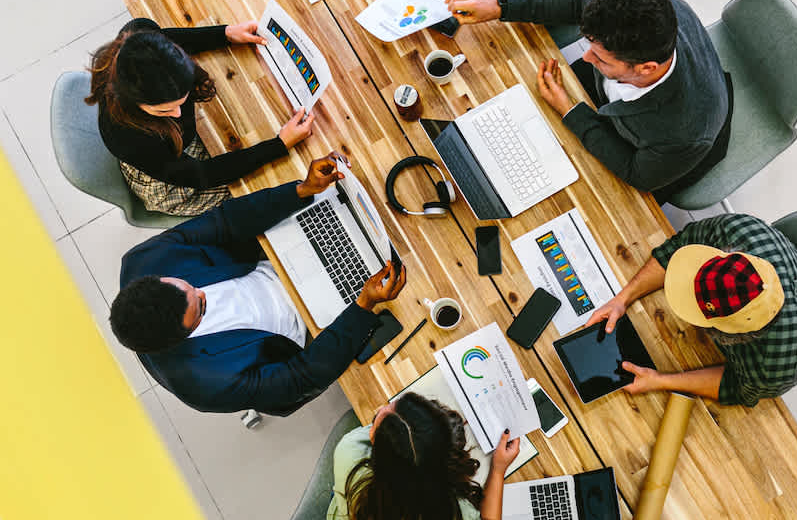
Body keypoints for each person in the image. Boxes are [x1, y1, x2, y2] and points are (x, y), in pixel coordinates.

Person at [108, 153, 406, 415]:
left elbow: (225, 221)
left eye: (189, 285)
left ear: (157, 279)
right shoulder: (204, 384)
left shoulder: (145, 260)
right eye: (200, 307)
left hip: (273, 261)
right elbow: (304, 376)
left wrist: (301, 190)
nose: (201, 291)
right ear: (183, 336)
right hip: (309, 327)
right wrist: (363, 306)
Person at [446, 0, 731, 202]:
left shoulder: (684, 133)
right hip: (623, 101)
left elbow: (637, 173)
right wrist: (500, 4)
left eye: (601, 58)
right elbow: (578, 0)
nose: (585, 58)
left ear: (646, 68)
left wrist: (569, 110)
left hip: (658, 155)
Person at [584, 213, 797, 406]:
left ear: (731, 336)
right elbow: (677, 249)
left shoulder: (776, 365)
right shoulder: (738, 228)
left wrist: (661, 381)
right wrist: (621, 300)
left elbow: (736, 387)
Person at [86, 17, 316, 216]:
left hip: (175, 153)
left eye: (182, 100)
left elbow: (168, 42)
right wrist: (279, 144)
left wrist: (226, 33)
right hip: (168, 183)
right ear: (133, 102)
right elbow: (202, 175)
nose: (177, 114)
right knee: (261, 191)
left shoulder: (139, 37)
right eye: (163, 111)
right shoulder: (126, 138)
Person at [329, 392, 520, 520]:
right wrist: (498, 470)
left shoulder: (351, 449)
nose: (379, 409)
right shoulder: (457, 511)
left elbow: (403, 439)